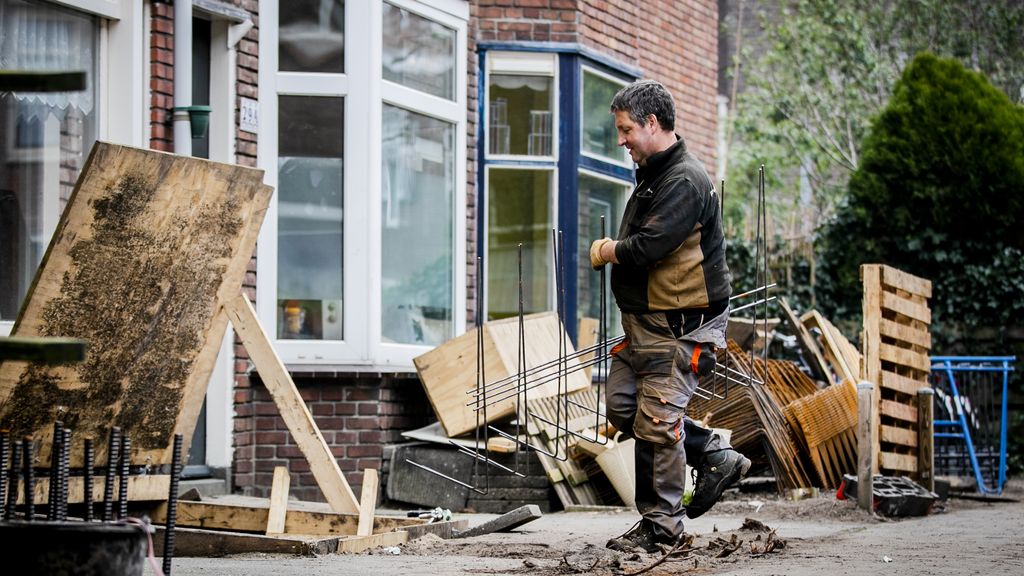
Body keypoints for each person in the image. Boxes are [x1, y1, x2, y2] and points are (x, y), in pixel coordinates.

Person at [590, 79, 750, 553]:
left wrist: (605, 250)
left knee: (657, 422)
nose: (621, 140)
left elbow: (650, 247)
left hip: (677, 326)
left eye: (625, 130)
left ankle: (662, 528)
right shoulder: (656, 172)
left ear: (653, 124)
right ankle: (713, 455)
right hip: (643, 324)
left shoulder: (683, 179)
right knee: (624, 408)